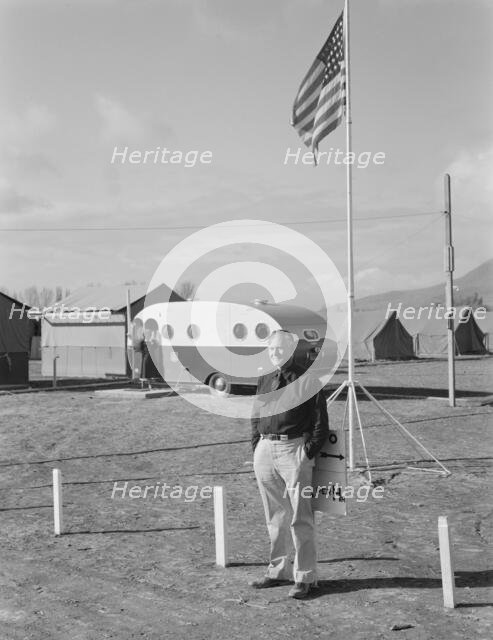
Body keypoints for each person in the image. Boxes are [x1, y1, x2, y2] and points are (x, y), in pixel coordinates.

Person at [250, 329, 329, 599]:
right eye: (270, 349)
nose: (274, 354)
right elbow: (256, 412)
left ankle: (305, 577)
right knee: (274, 516)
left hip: (293, 450)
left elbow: (320, 423)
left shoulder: (307, 380)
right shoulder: (264, 378)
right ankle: (277, 570)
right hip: (265, 448)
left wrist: (306, 452)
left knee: (300, 515)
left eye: (279, 349)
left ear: (290, 350)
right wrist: (256, 446)